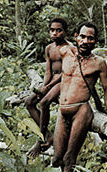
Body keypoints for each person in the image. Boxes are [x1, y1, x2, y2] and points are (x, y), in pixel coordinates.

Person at [52, 22, 107, 172]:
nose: (85, 41)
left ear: (95, 41)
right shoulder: (65, 52)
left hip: (81, 110)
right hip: (62, 111)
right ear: (76, 36)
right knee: (57, 157)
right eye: (82, 36)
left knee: (69, 156)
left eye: (90, 38)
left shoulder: (98, 63)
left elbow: (106, 89)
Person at [25, 17, 72, 155]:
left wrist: (48, 88)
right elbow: (48, 71)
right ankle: (48, 135)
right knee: (29, 102)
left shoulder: (69, 49)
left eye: (59, 30)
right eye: (52, 30)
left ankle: (40, 140)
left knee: (44, 103)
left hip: (64, 82)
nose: (55, 33)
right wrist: (43, 87)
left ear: (65, 32)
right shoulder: (49, 48)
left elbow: (65, 73)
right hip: (52, 82)